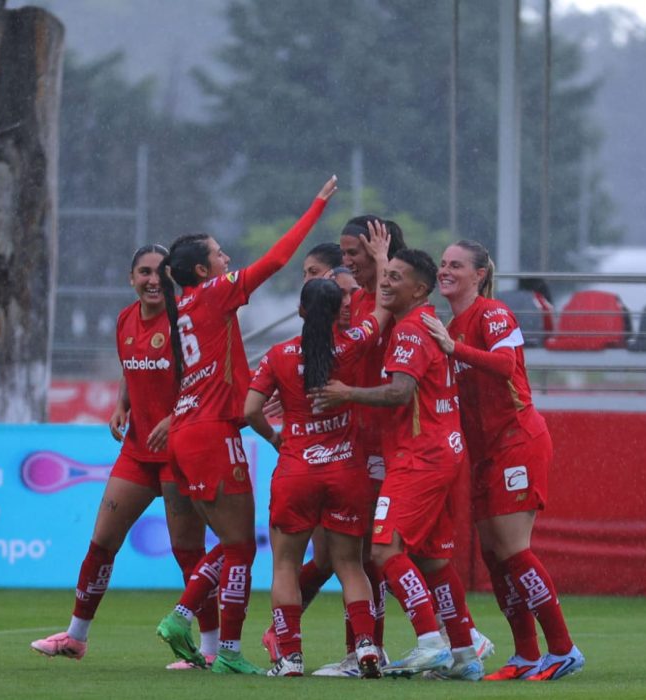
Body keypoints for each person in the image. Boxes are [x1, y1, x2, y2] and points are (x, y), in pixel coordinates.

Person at [154, 175, 338, 675]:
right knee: (238, 547)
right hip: (213, 431)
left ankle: (192, 624)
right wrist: (316, 205)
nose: (227, 259)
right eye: (219, 253)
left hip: (188, 430)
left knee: (231, 546)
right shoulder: (213, 294)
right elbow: (277, 261)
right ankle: (210, 637)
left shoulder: (183, 309)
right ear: (201, 269)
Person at [30, 244, 217, 667]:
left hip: (179, 451)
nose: (153, 280)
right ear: (131, 278)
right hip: (137, 451)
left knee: (187, 551)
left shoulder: (183, 323)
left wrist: (176, 416)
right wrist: (122, 405)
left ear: (172, 278)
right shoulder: (125, 320)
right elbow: (130, 368)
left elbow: (203, 381)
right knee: (101, 542)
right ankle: (75, 639)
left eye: (161, 273)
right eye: (144, 272)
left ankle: (209, 650)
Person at [312, 248, 483, 681]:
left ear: (419, 290)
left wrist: (345, 392)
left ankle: (430, 643)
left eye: (396, 278)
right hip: (444, 451)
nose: (385, 283)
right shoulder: (424, 321)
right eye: (385, 275)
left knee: (384, 549)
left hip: (419, 456)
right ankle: (465, 654)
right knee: (433, 561)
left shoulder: (409, 331)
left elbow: (400, 393)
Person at [422, 240, 585, 682]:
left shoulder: (492, 313)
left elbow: (504, 364)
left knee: (513, 549)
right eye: (442, 264)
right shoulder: (451, 325)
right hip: (485, 453)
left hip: (518, 440)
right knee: (495, 556)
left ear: (479, 274)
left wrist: (452, 350)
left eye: (456, 265)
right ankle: (527, 654)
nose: (445, 271)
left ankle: (564, 649)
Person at [245, 277, 394, 677]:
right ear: (336, 313)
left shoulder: (278, 355)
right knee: (350, 566)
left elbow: (250, 409)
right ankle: (366, 645)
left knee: (285, 567)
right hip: (346, 472)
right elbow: (380, 312)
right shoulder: (350, 346)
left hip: (296, 471)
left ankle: (290, 657)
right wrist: (382, 262)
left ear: (300, 311)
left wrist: (277, 437)